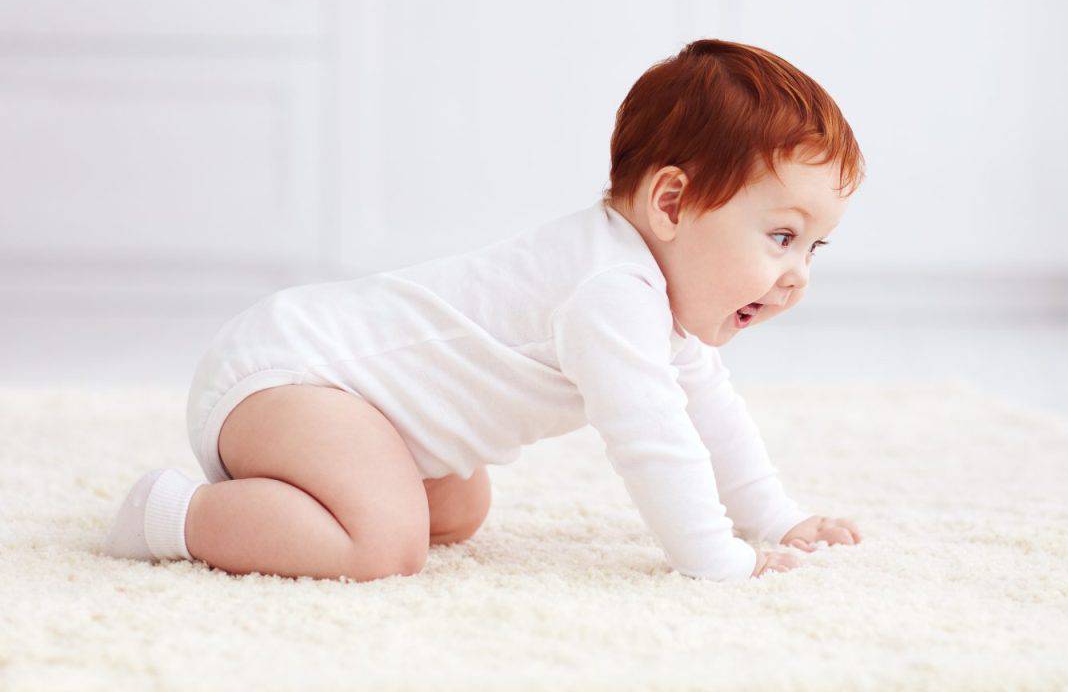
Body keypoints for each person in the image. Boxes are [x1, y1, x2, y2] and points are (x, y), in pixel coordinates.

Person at [103, 38, 865, 583]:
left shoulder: (649, 295)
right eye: (780, 235)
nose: (795, 275)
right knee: (382, 547)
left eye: (812, 249)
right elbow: (655, 442)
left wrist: (777, 520)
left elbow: (712, 413)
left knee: (459, 507)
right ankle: (173, 515)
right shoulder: (610, 292)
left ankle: (279, 500)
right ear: (671, 202)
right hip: (291, 374)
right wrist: (717, 558)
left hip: (340, 397)